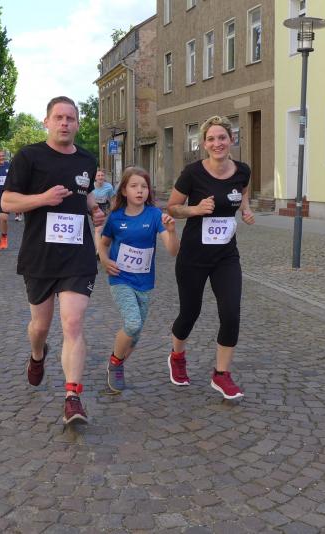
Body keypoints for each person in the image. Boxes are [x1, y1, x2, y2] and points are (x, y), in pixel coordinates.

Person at [1, 96, 106, 425]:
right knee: (41, 327)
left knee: (73, 323)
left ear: (77, 124)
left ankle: (73, 397)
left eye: (70, 118)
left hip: (77, 255)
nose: (64, 123)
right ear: (46, 122)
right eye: (58, 117)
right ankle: (37, 354)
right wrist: (43, 199)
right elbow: (7, 202)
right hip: (40, 256)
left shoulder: (87, 160)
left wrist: (94, 208)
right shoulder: (29, 156)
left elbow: (83, 191)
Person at [166, 115, 255, 400]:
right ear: (204, 144)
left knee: (231, 313)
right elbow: (172, 207)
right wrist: (194, 210)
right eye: (211, 139)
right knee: (189, 314)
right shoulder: (192, 173)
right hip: (193, 256)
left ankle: (221, 374)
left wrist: (245, 209)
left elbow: (242, 194)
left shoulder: (242, 170)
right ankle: (177, 356)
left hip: (226, 256)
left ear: (231, 140)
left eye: (222, 137)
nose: (217, 143)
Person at [98, 166, 179, 393]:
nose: (140, 190)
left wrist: (172, 231)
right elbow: (103, 244)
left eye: (144, 186)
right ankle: (115, 364)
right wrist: (104, 260)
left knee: (134, 334)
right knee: (132, 323)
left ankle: (117, 364)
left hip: (144, 283)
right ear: (124, 190)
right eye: (134, 186)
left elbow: (173, 250)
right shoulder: (116, 218)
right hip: (120, 279)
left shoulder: (154, 215)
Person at [91, 168, 115, 257]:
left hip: (103, 207)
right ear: (95, 177)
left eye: (102, 175)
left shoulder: (109, 187)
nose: (100, 177)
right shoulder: (91, 186)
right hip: (93, 207)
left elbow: (112, 198)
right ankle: (99, 250)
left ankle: (99, 250)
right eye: (98, 175)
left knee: (99, 229)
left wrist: (114, 209)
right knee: (98, 229)